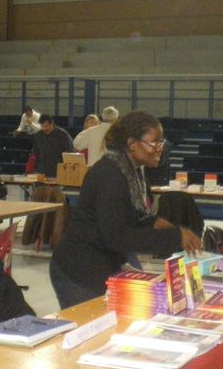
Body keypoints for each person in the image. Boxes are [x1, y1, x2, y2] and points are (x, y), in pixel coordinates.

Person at [50, 111, 202, 309]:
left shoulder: (135, 173)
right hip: (80, 270)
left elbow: (131, 216)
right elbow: (117, 235)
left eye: (161, 143)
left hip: (104, 264)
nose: (160, 149)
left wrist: (152, 222)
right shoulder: (109, 175)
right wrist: (174, 237)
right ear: (132, 143)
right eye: (154, 142)